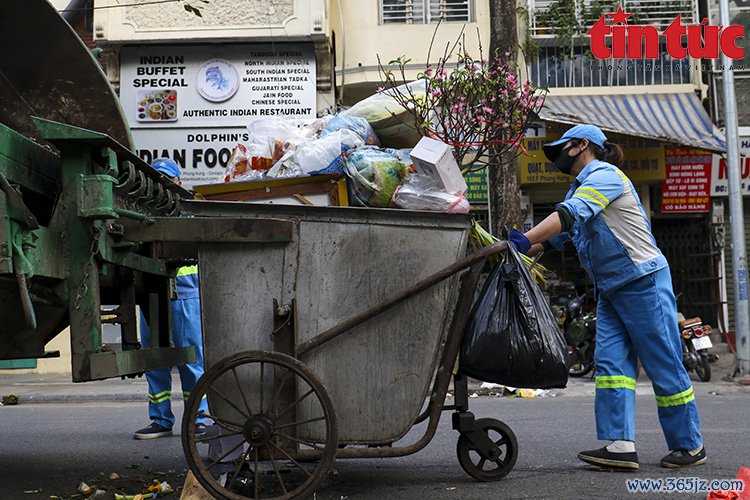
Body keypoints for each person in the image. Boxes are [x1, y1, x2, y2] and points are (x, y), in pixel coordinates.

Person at [508, 124, 705, 470]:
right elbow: (554, 239)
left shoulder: (604, 176)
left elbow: (568, 216)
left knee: (663, 364)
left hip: (643, 281)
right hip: (612, 289)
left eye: (561, 147)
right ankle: (620, 445)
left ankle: (689, 445)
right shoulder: (578, 189)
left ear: (582, 145)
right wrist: (514, 249)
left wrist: (524, 241)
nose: (556, 155)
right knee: (612, 366)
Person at [134, 158, 209, 439]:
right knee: (154, 360)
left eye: (167, 179)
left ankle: (198, 418)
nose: (163, 185)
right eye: (158, 179)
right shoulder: (140, 210)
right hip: (150, 294)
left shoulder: (188, 211)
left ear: (178, 182)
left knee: (192, 360)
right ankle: (161, 419)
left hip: (184, 293)